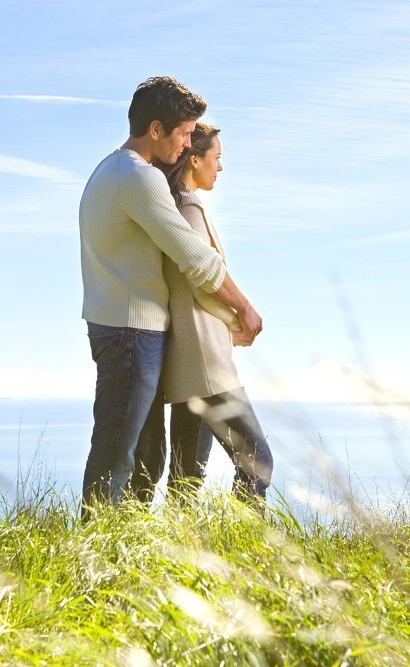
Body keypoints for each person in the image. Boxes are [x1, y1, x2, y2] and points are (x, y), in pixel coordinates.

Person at [78, 77, 262, 516]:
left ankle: (129, 549)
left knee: (143, 458)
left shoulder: (111, 169)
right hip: (130, 333)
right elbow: (195, 257)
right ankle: (96, 550)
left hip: (124, 328)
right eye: (182, 133)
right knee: (119, 454)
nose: (186, 144)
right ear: (156, 129)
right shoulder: (137, 177)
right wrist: (244, 308)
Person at [134, 123, 274, 504]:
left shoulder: (175, 206)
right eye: (217, 158)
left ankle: (188, 553)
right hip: (206, 361)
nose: (221, 167)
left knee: (186, 478)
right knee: (257, 460)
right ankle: (245, 549)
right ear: (194, 160)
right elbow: (202, 280)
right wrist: (238, 319)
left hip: (187, 362)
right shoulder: (189, 208)